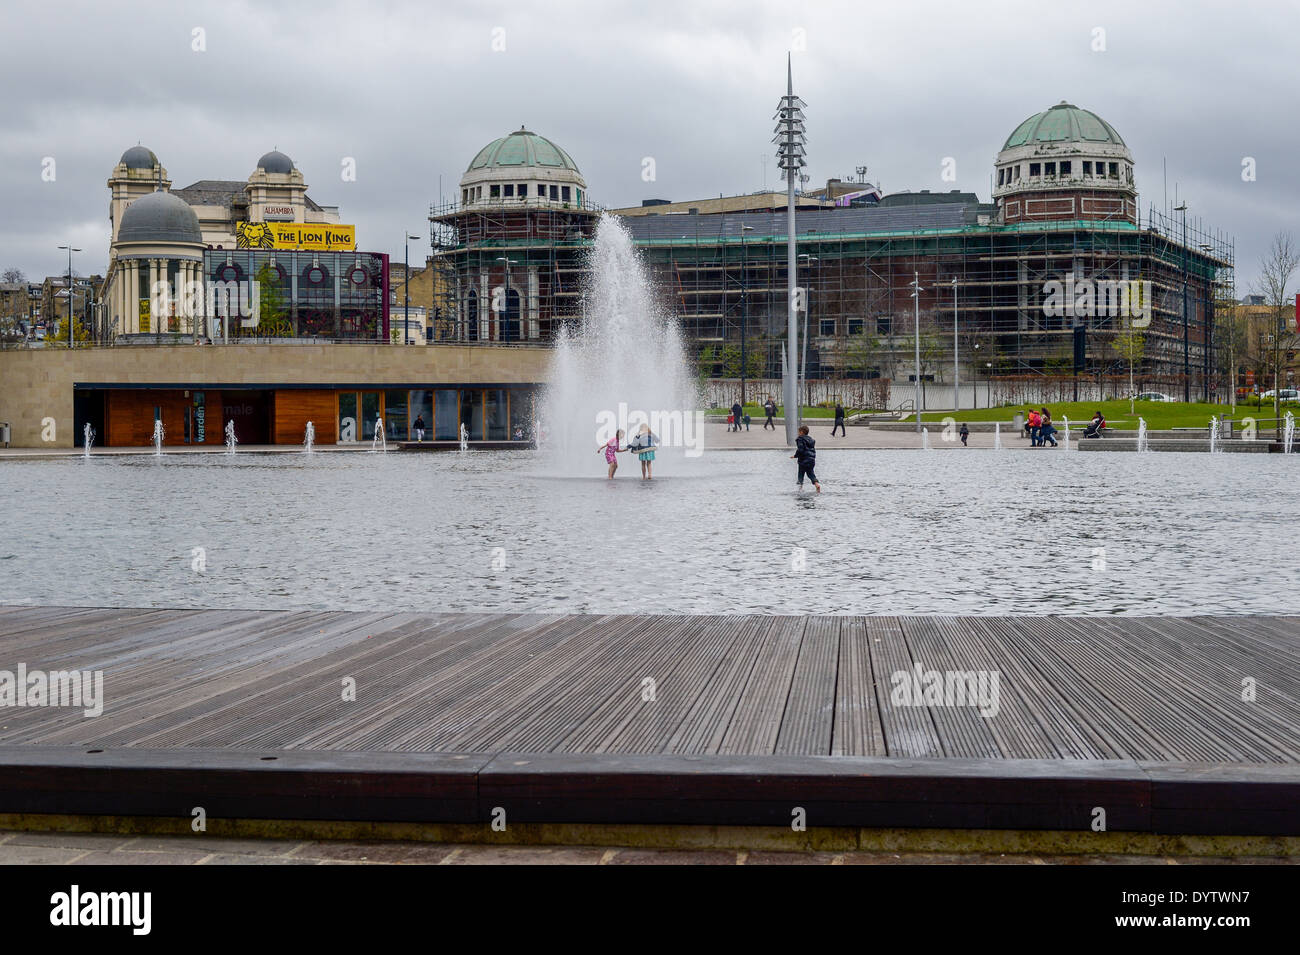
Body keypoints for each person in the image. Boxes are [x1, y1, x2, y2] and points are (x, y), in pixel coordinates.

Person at [791, 425, 820, 492]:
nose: (798, 433)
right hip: (812, 460)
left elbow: (800, 449)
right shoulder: (811, 440)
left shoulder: (800, 439)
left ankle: (800, 489)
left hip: (803, 460)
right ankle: (816, 484)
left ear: (801, 432)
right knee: (810, 473)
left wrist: (795, 456)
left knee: (801, 473)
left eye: (798, 432)